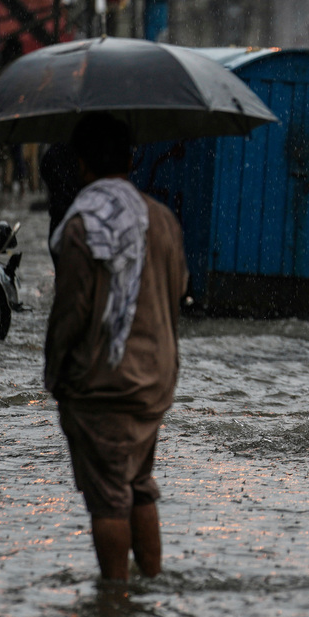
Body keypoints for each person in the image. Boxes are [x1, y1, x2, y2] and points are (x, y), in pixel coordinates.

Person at [45, 113, 189, 583]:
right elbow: (177, 291)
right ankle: (148, 586)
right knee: (139, 484)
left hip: (104, 381)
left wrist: (56, 376)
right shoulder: (161, 218)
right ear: (131, 158)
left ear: (80, 163)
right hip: (155, 378)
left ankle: (114, 603)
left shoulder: (83, 226)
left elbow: (70, 314)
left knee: (108, 495)